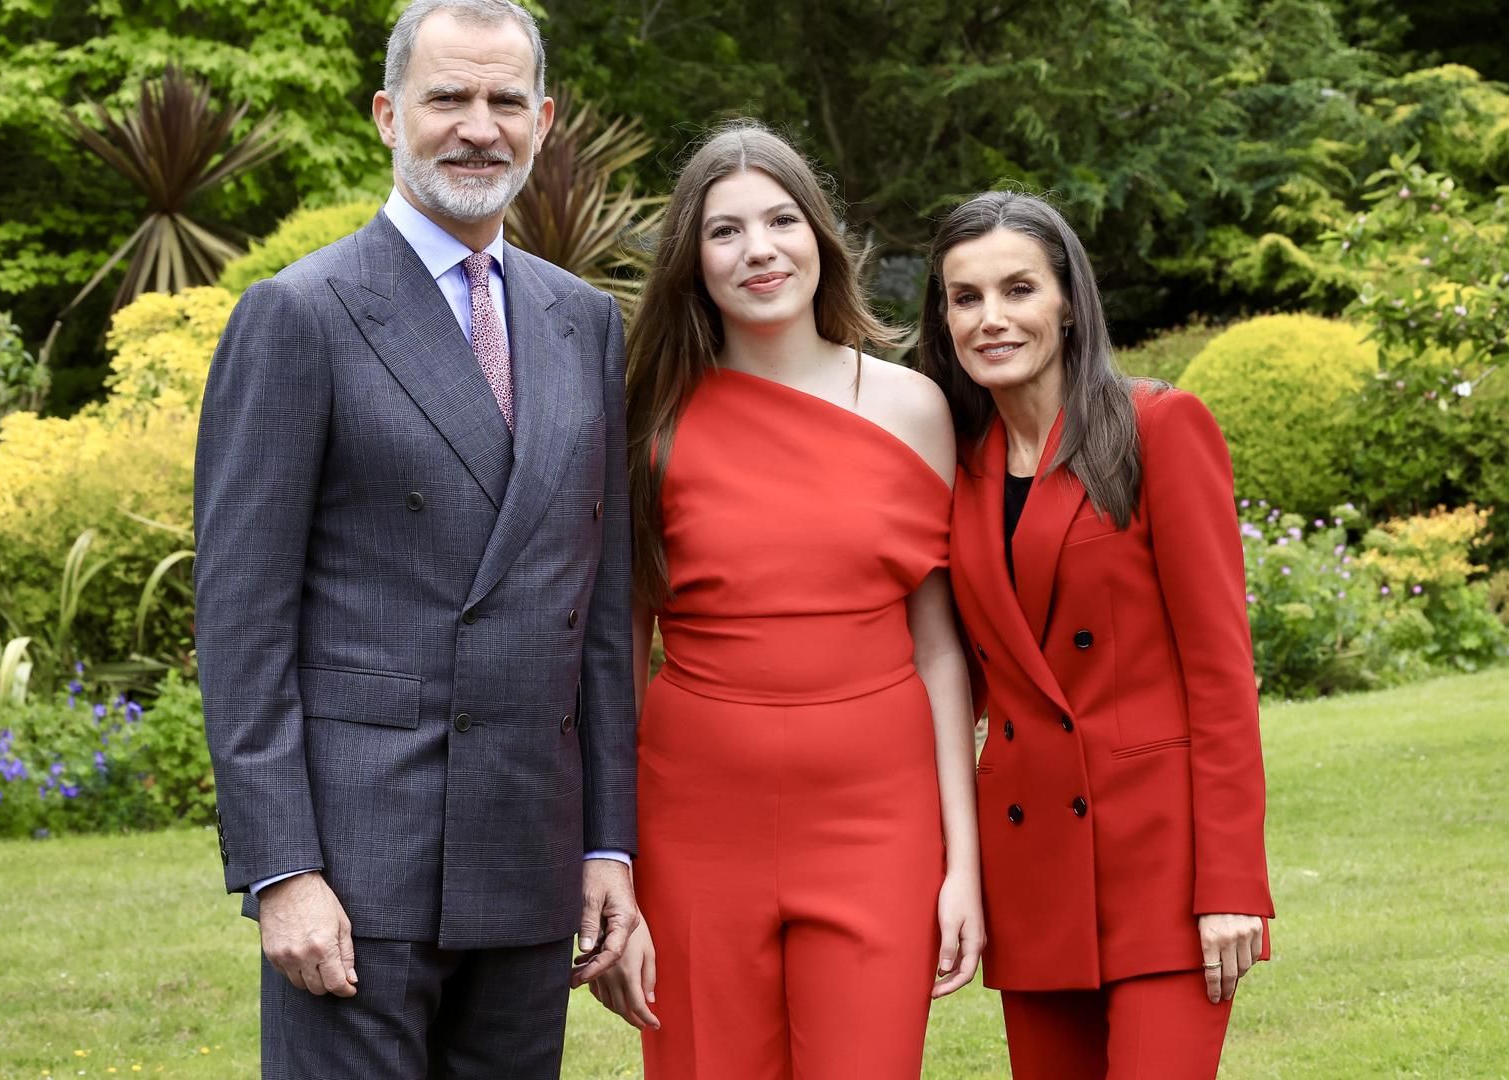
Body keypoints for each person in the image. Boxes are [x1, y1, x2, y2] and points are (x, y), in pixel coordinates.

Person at [192, 1, 638, 1075]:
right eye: (448, 98)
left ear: (543, 118)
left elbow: (603, 612)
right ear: (389, 114)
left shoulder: (583, 321)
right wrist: (281, 867)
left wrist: (608, 844)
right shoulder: (300, 314)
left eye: (503, 101)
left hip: (528, 859)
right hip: (357, 869)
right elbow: (241, 619)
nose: (477, 127)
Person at [585, 121, 984, 1080]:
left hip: (878, 819)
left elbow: (938, 648)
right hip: (693, 820)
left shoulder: (915, 407)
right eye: (725, 231)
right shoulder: (648, 421)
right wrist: (619, 871)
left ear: (821, 238)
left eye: (781, 220)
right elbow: (618, 650)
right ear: (693, 262)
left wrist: (962, 864)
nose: (759, 249)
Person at [917, 191, 1274, 1079]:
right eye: (966, 298)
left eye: (1018, 289)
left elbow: (1222, 675)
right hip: (1031, 864)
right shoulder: (951, 468)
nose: (991, 319)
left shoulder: (1158, 427)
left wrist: (1230, 884)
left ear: (1068, 300)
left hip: (1162, 868)